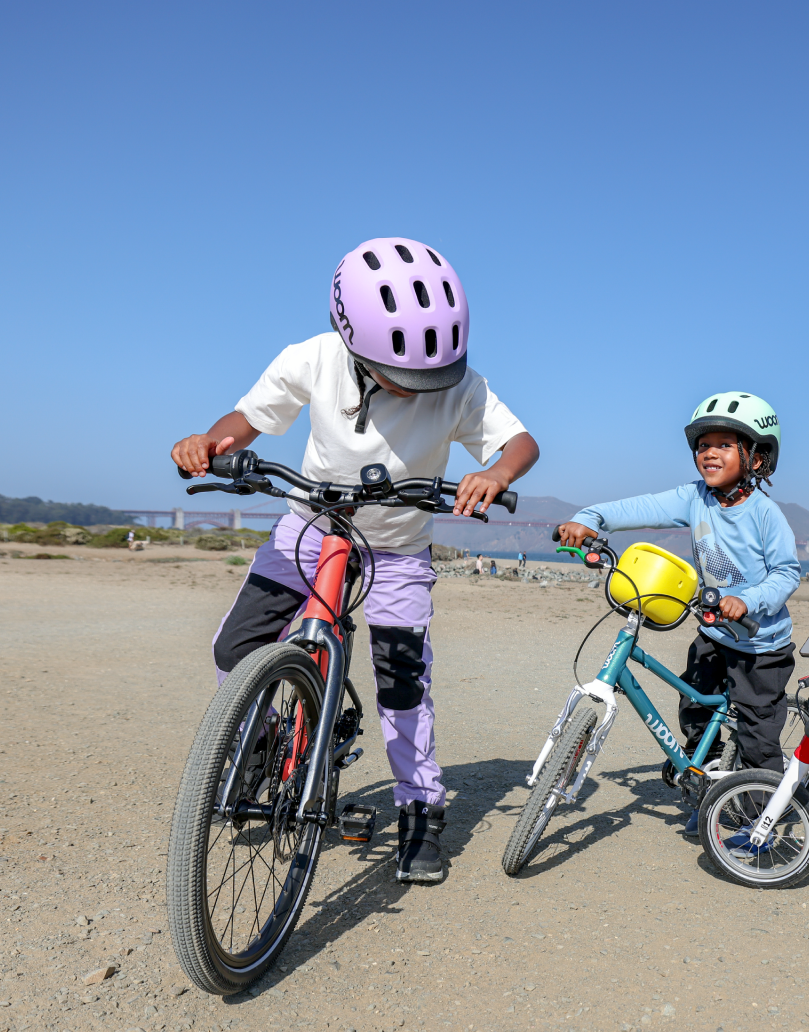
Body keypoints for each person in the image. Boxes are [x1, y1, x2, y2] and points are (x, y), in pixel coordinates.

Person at [171, 237, 539, 883]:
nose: (415, 389)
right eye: (401, 376)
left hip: (396, 549)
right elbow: (250, 419)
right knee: (236, 647)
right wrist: (211, 440)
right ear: (351, 338)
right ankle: (261, 742)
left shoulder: (460, 386)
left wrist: (496, 472)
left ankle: (420, 810)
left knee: (404, 688)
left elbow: (518, 442)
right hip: (310, 529)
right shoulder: (311, 357)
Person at [557, 392, 800, 836]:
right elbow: (639, 508)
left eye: (726, 444)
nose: (709, 452)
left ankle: (764, 817)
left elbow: (787, 573)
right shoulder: (695, 499)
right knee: (693, 705)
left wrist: (748, 600)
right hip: (714, 634)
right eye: (703, 444)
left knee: (757, 738)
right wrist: (589, 518)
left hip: (760, 646)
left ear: (757, 457)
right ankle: (706, 775)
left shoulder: (766, 514)